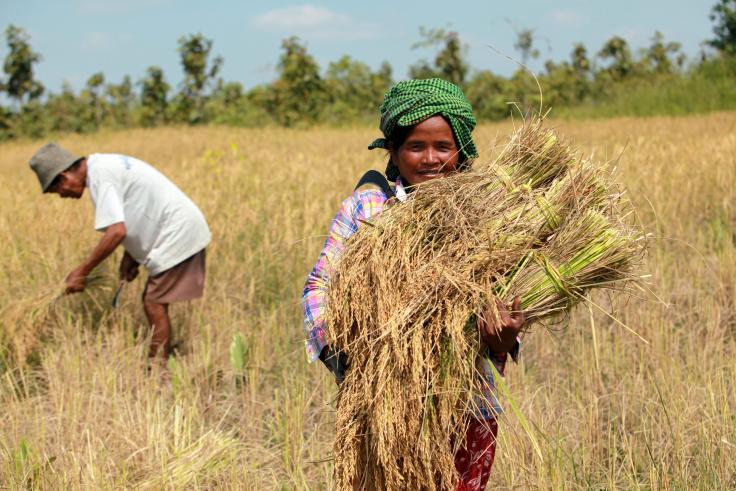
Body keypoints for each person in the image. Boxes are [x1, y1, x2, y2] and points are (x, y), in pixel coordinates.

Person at [302, 78, 524, 490]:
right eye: (415, 147)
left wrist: (504, 336)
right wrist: (344, 355)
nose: (430, 159)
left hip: (468, 406)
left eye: (443, 146)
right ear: (393, 151)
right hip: (379, 408)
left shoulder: (490, 219)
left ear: (462, 149)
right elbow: (318, 286)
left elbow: (510, 304)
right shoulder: (368, 208)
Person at [29, 143, 211, 360]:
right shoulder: (102, 167)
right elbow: (136, 209)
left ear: (64, 176)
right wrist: (131, 256)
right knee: (154, 300)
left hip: (178, 232)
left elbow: (116, 231)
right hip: (179, 228)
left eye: (56, 190)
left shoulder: (100, 176)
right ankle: (160, 363)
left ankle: (158, 371)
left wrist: (82, 271)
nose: (61, 195)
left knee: (153, 303)